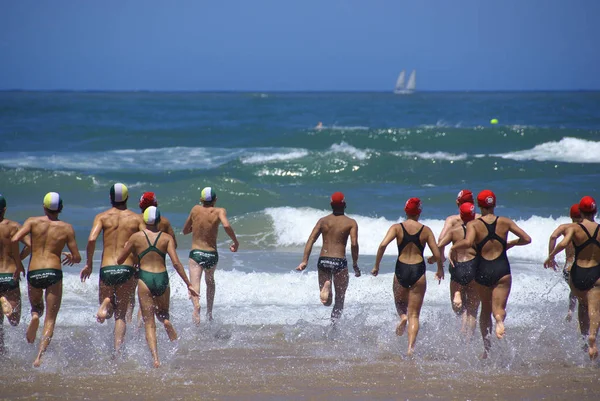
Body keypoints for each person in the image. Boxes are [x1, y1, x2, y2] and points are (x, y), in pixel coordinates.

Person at [452, 190, 531, 359]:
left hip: (483, 269)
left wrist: (453, 248)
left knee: (485, 310)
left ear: (479, 206)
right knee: (499, 308)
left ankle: (487, 349)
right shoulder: (505, 221)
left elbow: (467, 242)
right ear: (494, 204)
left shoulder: (474, 224)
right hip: (502, 268)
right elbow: (526, 239)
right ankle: (500, 320)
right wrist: (509, 244)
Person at [117, 206, 198, 368]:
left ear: (144, 221)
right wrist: (189, 284)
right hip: (161, 277)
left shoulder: (136, 237)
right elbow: (176, 263)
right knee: (163, 314)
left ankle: (155, 358)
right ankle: (167, 322)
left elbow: (120, 260)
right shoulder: (166, 238)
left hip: (144, 279)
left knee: (149, 323)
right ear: (159, 220)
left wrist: (128, 246)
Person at [11, 192, 81, 367]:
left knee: (37, 307)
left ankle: (34, 316)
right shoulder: (66, 228)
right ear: (61, 208)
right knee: (50, 318)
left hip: (34, 271)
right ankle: (39, 356)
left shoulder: (32, 222)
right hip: (53, 272)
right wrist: (71, 258)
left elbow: (15, 239)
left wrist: (18, 263)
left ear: (44, 207)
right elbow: (77, 257)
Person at [372, 197, 443, 356]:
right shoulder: (425, 230)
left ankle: (402, 317)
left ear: (405, 210)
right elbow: (437, 252)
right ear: (420, 211)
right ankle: (410, 348)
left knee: (399, 303)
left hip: (401, 268)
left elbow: (383, 245)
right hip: (418, 270)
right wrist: (440, 269)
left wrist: (377, 265)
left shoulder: (397, 228)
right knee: (415, 315)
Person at [79, 183, 144, 355]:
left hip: (107, 268)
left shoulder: (102, 217)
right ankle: (118, 352)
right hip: (126, 268)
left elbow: (92, 240)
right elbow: (145, 240)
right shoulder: (136, 218)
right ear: (127, 198)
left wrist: (89, 264)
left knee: (108, 312)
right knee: (120, 315)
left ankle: (106, 302)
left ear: (110, 198)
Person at [545, 196, 600, 360]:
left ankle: (584, 339)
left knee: (582, 306)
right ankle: (592, 339)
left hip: (577, 273)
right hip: (596, 272)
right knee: (594, 309)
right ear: (595, 211)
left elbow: (562, 243)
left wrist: (551, 256)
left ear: (581, 212)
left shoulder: (574, 229)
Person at [296, 192, 360, 322]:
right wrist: (355, 264)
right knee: (340, 298)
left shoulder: (323, 221)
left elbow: (311, 240)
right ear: (345, 204)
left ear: (331, 205)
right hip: (339, 262)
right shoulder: (351, 222)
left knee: (326, 301)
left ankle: (327, 284)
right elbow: (354, 244)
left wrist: (304, 261)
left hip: (324, 260)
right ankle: (334, 326)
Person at [183, 187, 239, 325]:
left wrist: (195, 228)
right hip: (211, 254)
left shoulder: (195, 209)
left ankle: (196, 307)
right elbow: (226, 225)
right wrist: (235, 242)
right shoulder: (220, 211)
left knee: (195, 286)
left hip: (196, 253)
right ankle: (209, 313)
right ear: (215, 200)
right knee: (210, 282)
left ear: (201, 200)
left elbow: (185, 231)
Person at [130, 192, 179, 325]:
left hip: (136, 264)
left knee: (134, 300)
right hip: (158, 269)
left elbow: (128, 244)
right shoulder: (164, 222)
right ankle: (146, 327)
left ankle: (133, 329)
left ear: (140, 205)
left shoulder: (135, 219)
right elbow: (174, 245)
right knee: (153, 304)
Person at [433, 202, 479, 339]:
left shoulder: (454, 231)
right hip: (474, 266)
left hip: (458, 267)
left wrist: (437, 262)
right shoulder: (479, 230)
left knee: (458, 308)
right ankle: (468, 339)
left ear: (460, 215)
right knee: (473, 309)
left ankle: (458, 293)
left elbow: (439, 244)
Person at [0, 194, 30, 351]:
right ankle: (4, 298)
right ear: (4, 209)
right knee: (14, 319)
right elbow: (30, 245)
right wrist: (18, 259)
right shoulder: (14, 227)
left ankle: (1, 352)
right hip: (10, 273)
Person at [544, 204, 582, 321]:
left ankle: (570, 310)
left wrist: (551, 257)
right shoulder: (586, 230)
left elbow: (553, 237)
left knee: (573, 290)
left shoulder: (566, 227)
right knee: (584, 295)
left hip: (567, 268)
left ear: (570, 215)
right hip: (582, 268)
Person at [435, 189, 478, 263]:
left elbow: (441, 239)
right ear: (473, 203)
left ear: (458, 203)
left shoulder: (452, 220)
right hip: (475, 261)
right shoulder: (480, 219)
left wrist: (441, 259)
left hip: (457, 261)